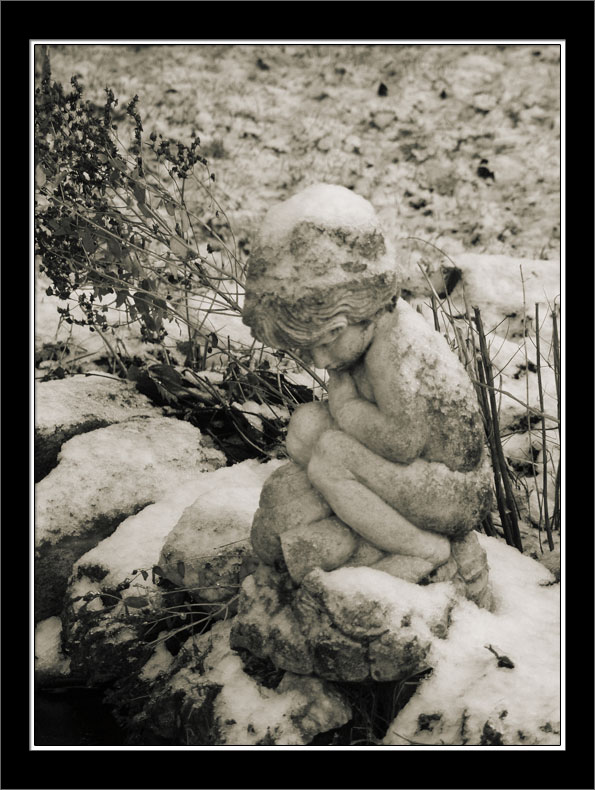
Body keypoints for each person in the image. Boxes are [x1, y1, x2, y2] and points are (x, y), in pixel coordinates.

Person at [243, 184, 492, 584]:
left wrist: (345, 409)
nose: (319, 360)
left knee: (333, 456)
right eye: (305, 349)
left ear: (362, 311)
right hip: (413, 474)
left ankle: (420, 549)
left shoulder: (394, 349)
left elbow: (401, 441)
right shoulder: (364, 339)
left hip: (451, 491)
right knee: (307, 426)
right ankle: (362, 525)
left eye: (328, 339)